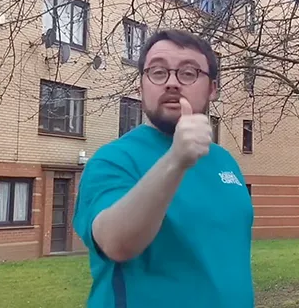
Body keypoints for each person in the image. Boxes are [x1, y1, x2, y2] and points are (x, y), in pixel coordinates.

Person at [73, 29, 255, 308]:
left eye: (189, 73)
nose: (171, 83)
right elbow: (115, 242)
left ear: (213, 89)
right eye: (158, 72)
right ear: (140, 87)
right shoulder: (114, 160)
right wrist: (175, 160)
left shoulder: (224, 162)